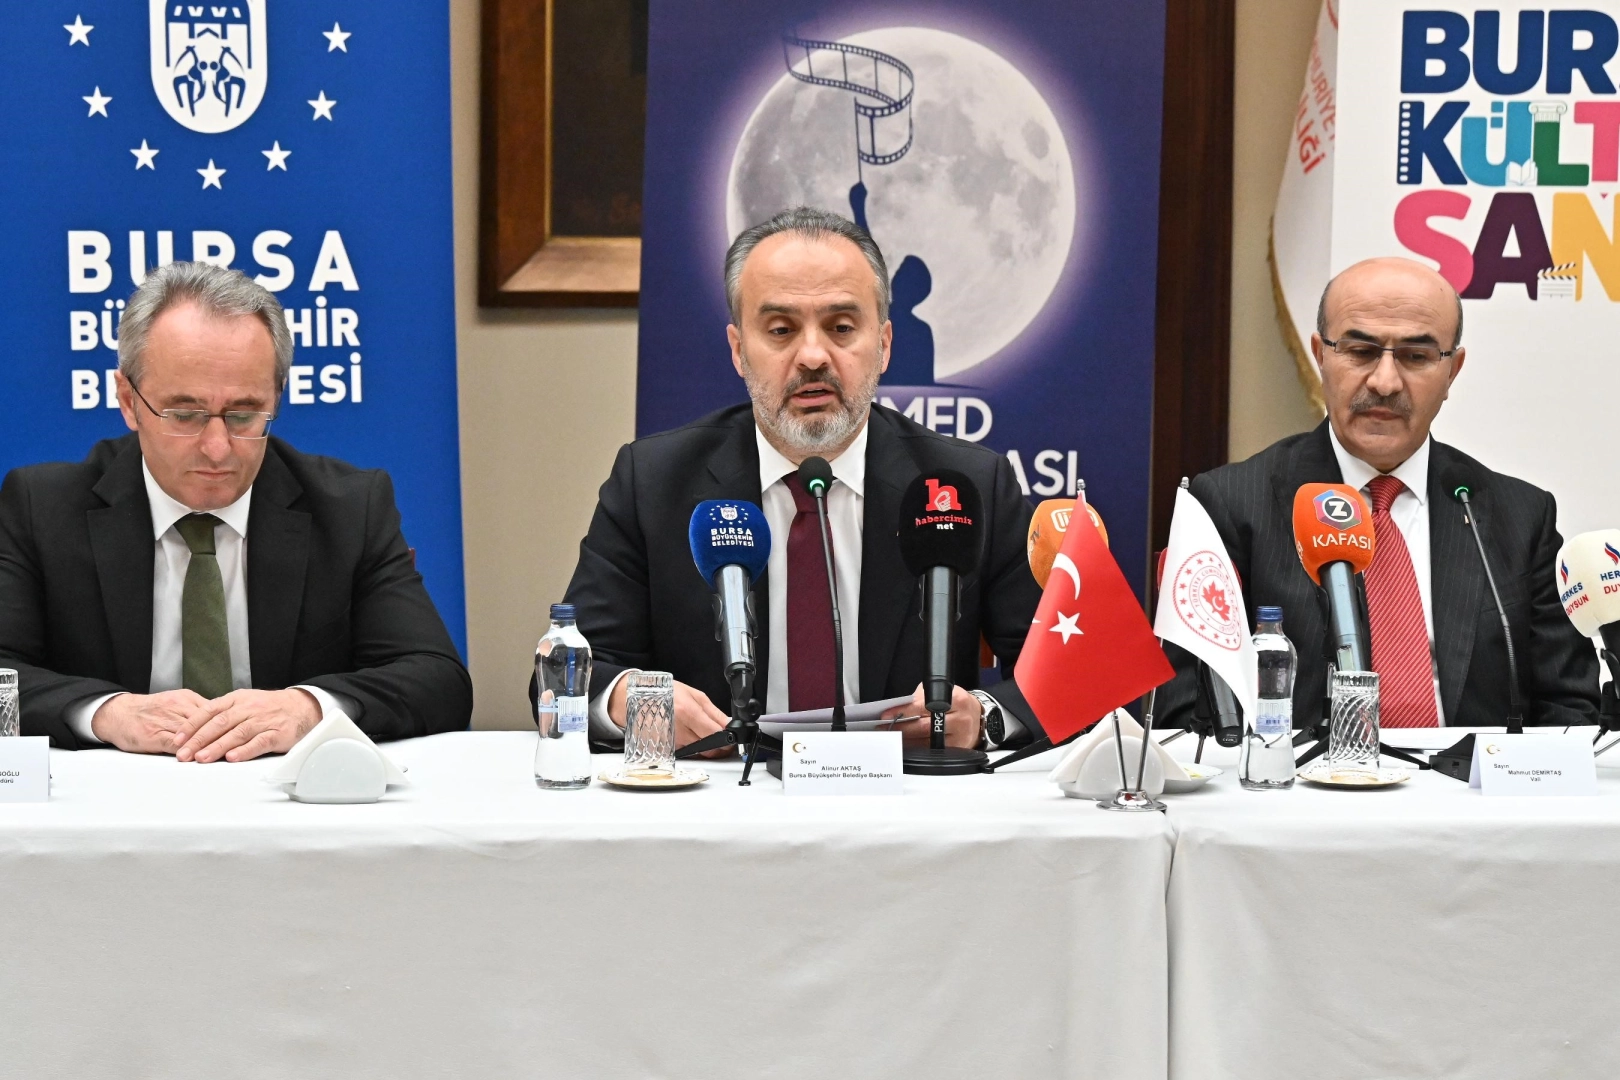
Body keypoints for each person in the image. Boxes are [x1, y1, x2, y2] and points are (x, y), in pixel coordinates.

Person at [559, 206, 1043, 751]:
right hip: (721, 790)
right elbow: (570, 674)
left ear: (884, 344)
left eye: (841, 328)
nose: (813, 356)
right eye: (781, 330)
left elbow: (1065, 670)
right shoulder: (652, 482)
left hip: (907, 791)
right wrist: (636, 704)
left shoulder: (966, 485)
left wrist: (986, 720)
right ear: (739, 351)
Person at [0, 261, 471, 759]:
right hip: (112, 797)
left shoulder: (351, 508)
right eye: (185, 414)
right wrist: (105, 712)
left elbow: (438, 680)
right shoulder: (42, 507)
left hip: (286, 796)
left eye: (244, 414)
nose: (218, 447)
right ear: (128, 401)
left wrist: (309, 708)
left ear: (277, 397)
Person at [1161, 256, 1597, 730]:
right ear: (1321, 355)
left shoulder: (1520, 515)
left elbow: (1570, 712)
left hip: (1472, 777)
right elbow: (1188, 715)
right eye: (1360, 351)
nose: (1385, 382)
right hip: (1302, 776)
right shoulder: (1230, 504)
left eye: (1416, 357)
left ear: (1452, 371)